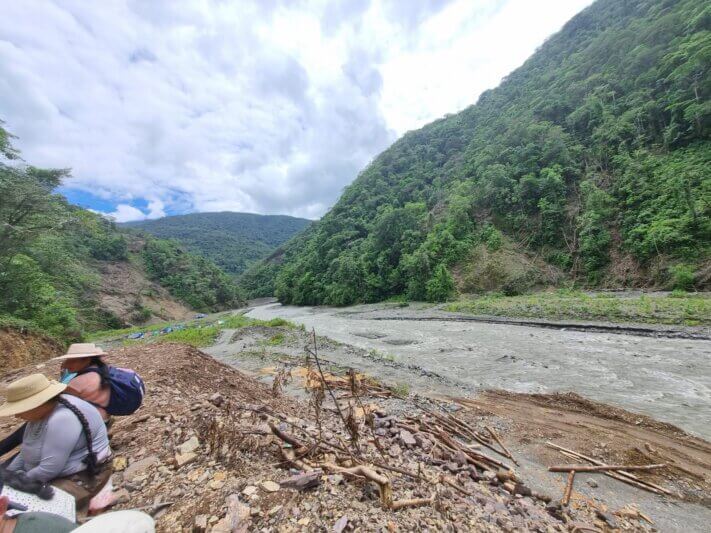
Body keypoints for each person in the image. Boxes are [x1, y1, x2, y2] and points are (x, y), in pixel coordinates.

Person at [0, 374, 112, 511]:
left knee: (31, 510)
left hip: (81, 477)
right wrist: (8, 475)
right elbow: (26, 451)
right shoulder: (40, 415)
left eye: (20, 409)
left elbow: (49, 469)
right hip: (48, 473)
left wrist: (18, 481)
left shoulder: (62, 419)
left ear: (37, 403)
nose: (17, 415)